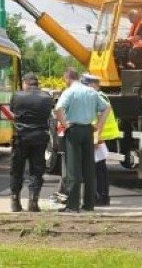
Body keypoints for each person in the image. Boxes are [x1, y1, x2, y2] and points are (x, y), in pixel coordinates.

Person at [53, 68, 110, 213]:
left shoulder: (70, 91)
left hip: (74, 130)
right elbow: (106, 108)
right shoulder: (91, 91)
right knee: (89, 169)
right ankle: (89, 204)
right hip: (88, 130)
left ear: (67, 78)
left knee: (73, 169)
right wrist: (98, 126)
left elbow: (58, 109)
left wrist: (65, 124)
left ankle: (73, 205)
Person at [9, 72, 54, 212]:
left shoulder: (17, 95)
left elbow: (12, 110)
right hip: (39, 137)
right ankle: (33, 202)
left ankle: (15, 201)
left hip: (21, 137)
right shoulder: (47, 97)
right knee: (37, 170)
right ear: (37, 83)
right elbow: (48, 113)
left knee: (17, 169)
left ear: (25, 83)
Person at [81, 74, 121, 206]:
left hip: (98, 137)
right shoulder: (100, 96)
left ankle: (100, 197)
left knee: (97, 170)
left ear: (92, 85)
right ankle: (102, 197)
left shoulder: (96, 97)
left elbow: (98, 118)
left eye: (85, 85)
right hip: (100, 136)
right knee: (100, 169)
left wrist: (96, 137)